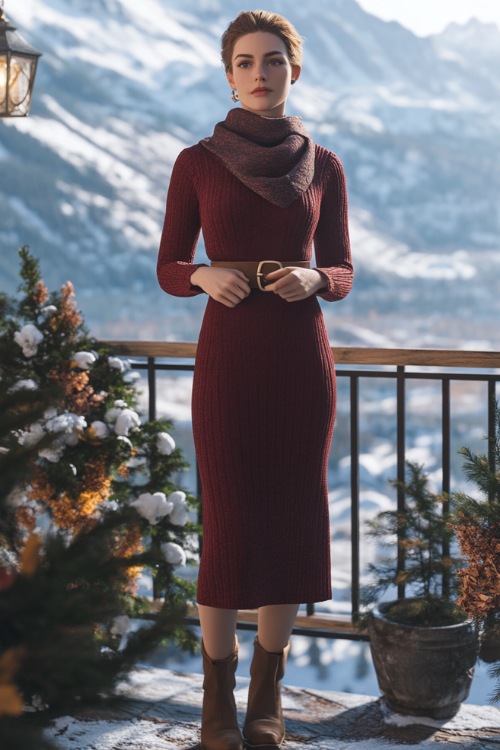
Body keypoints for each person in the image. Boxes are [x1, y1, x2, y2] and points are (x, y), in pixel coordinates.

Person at [157, 10, 353, 750]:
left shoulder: (325, 164)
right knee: (233, 522)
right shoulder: (196, 161)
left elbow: (342, 266)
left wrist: (316, 278)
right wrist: (203, 273)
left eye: (273, 60)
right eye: (245, 61)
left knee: (292, 521)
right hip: (230, 359)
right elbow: (170, 265)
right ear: (228, 72)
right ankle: (217, 696)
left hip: (302, 361)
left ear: (293, 70)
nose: (260, 73)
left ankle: (265, 697)